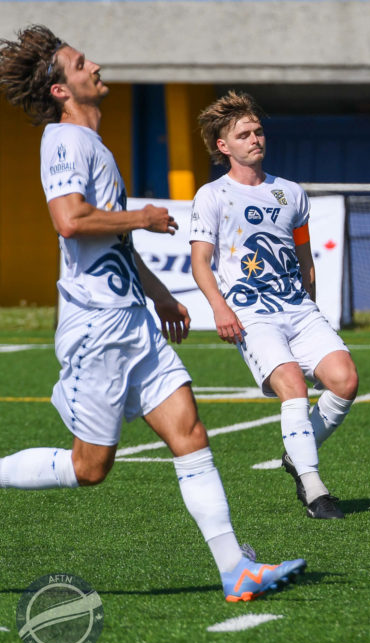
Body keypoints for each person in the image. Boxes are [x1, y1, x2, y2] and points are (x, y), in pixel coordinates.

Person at [0, 25, 305, 601]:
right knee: (90, 469)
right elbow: (70, 220)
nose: (94, 66)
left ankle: (235, 569)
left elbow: (105, 238)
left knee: (190, 432)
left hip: (130, 317)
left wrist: (159, 291)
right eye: (81, 62)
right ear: (62, 89)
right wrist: (141, 217)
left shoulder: (94, 144)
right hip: (97, 323)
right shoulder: (63, 140)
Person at [189, 92, 358, 520]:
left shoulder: (290, 193)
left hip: (299, 309)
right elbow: (200, 262)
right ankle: (314, 487)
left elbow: (305, 259)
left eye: (258, 131)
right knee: (293, 388)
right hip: (251, 313)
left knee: (345, 380)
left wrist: (313, 308)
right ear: (223, 146)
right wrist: (219, 308)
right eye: (243, 134)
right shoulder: (212, 195)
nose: (254, 139)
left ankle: (295, 451)